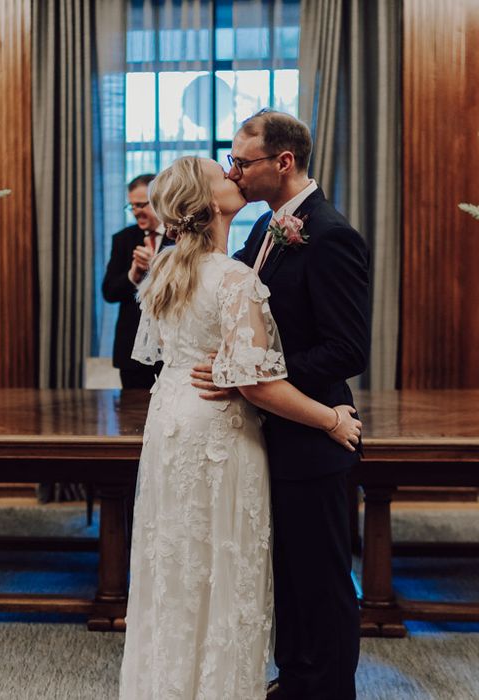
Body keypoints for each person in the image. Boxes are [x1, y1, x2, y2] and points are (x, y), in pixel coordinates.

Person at [119, 156, 362, 699]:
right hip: (220, 433)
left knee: (179, 568)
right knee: (223, 567)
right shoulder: (233, 278)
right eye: (221, 174)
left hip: (172, 423)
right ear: (208, 203)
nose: (233, 176)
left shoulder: (164, 269)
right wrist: (332, 420)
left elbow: (161, 358)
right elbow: (256, 384)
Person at [191, 110, 370, 699]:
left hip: (315, 440)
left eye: (241, 162)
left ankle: (328, 690)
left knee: (323, 581)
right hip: (273, 433)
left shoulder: (331, 234)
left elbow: (346, 350)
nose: (233, 171)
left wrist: (252, 375)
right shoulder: (267, 227)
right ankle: (295, 681)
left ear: (283, 163)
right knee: (287, 579)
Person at [102, 173, 172, 389]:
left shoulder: (179, 236)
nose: (136, 212)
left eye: (142, 205)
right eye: (131, 206)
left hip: (169, 346)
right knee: (129, 415)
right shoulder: (123, 239)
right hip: (131, 347)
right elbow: (109, 292)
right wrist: (133, 274)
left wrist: (155, 266)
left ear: (159, 201)